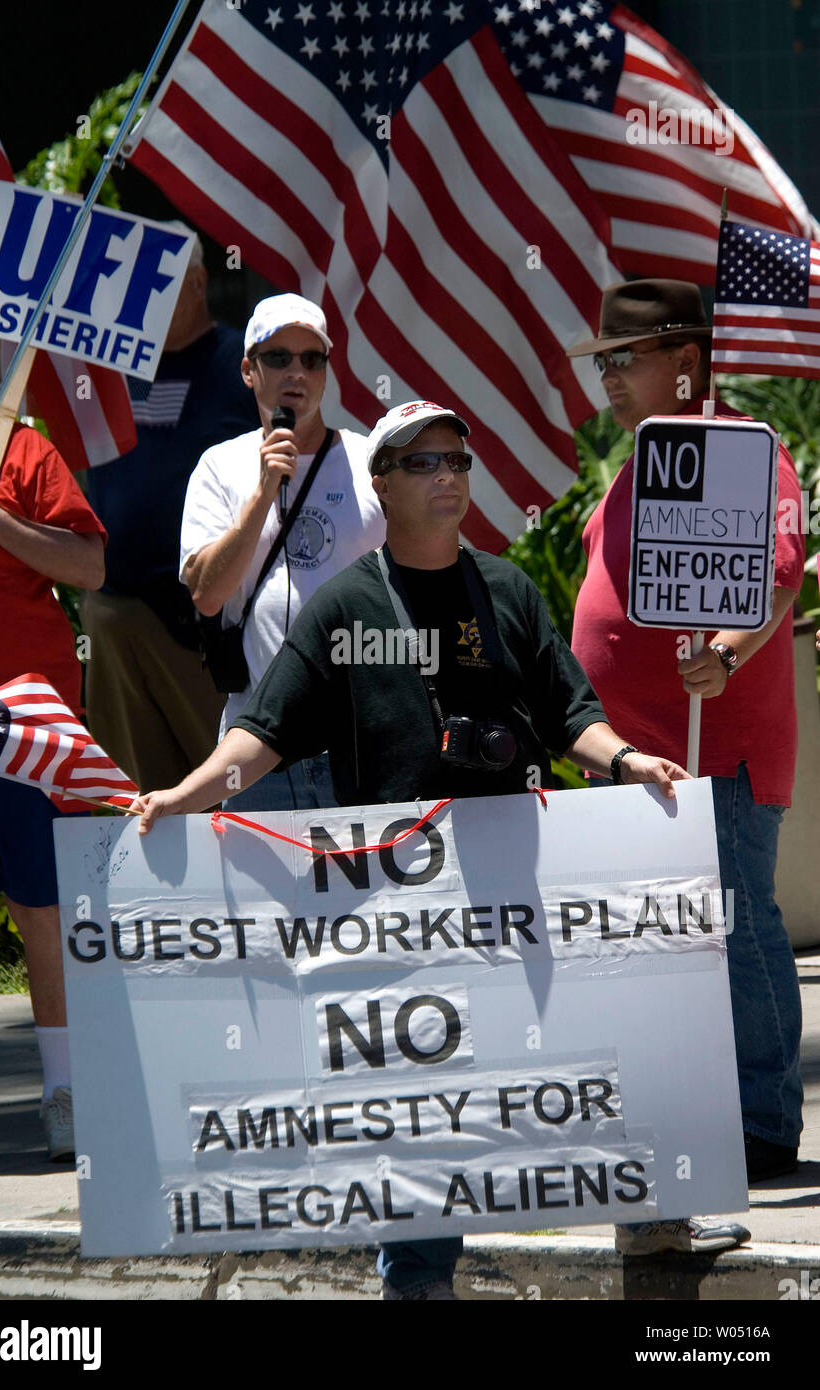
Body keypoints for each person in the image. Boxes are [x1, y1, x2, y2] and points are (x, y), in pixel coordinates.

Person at [133, 399, 706, 1298]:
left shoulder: (509, 590)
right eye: (425, 462)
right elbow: (264, 732)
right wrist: (184, 794)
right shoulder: (345, 606)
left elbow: (573, 716)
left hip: (524, 885)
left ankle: (653, 1218)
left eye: (458, 459)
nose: (449, 475)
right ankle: (418, 1281)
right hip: (403, 907)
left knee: (584, 1059)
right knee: (425, 1107)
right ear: (384, 485)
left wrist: (631, 763)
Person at [567, 279, 805, 1203]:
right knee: (654, 942)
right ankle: (675, 1105)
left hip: (721, 754)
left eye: (625, 361)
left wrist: (728, 658)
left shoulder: (742, 450)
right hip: (634, 758)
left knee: (739, 929)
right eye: (606, 362)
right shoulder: (645, 457)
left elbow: (780, 577)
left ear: (685, 364)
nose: (611, 379)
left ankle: (764, 1122)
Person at [0, 309, 107, 1162]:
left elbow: (89, 566)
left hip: (20, 726)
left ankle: (65, 1095)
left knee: (42, 911)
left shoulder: (23, 452)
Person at [178, 292, 385, 811]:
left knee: (374, 892)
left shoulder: (372, 463)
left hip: (363, 740)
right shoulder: (219, 466)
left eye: (312, 359)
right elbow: (206, 595)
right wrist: (264, 491)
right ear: (249, 370)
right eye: (279, 357)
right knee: (258, 895)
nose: (298, 371)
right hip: (255, 749)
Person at [83, 229, 259, 793]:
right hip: (113, 614)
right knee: (139, 801)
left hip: (201, 624)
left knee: (232, 791)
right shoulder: (113, 364)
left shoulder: (243, 365)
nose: (141, 297)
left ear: (201, 282)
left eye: (155, 283)